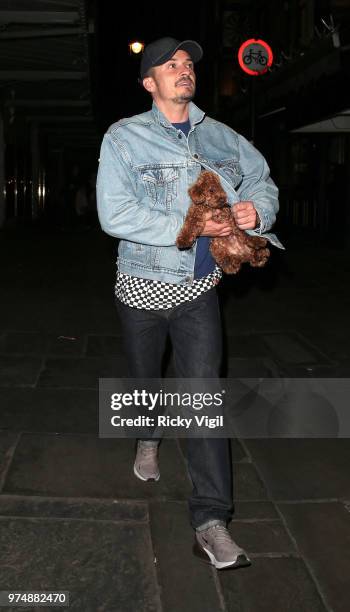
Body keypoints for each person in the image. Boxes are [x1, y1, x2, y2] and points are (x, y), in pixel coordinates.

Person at [96, 37, 282, 570]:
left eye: (187, 64)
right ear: (148, 83)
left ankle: (211, 520)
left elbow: (263, 181)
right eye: (169, 65)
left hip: (199, 289)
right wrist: (194, 225)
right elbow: (115, 214)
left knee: (203, 397)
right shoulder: (124, 137)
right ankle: (148, 433)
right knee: (144, 380)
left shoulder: (223, 136)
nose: (184, 71)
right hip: (142, 282)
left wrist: (255, 213)